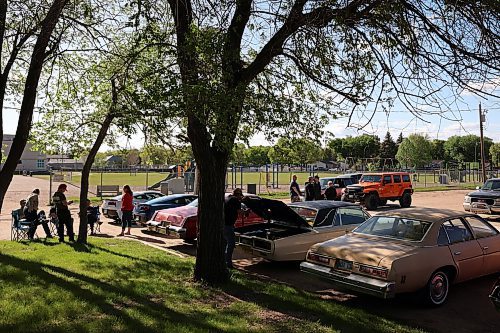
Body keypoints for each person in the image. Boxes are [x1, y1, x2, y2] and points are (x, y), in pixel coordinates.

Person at [224, 188, 244, 269]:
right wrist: (245, 212)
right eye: (240, 195)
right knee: (231, 244)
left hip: (223, 224)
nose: (241, 198)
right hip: (228, 225)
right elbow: (240, 212)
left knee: (225, 243)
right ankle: (228, 263)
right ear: (238, 194)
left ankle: (223, 261)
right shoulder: (235, 200)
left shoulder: (227, 198)